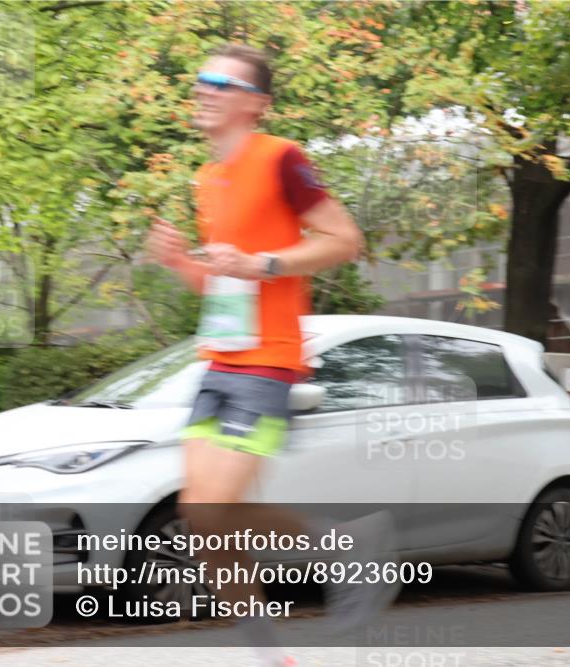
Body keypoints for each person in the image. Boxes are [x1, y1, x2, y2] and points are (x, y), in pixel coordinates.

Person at [146, 44, 398, 667]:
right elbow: (224, 285)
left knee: (214, 508)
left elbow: (344, 240)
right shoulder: (207, 179)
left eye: (220, 83)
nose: (204, 89)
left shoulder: (281, 158)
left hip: (268, 363)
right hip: (222, 360)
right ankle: (271, 659)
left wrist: (263, 263)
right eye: (200, 80)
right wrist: (182, 263)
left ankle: (351, 545)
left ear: (256, 104)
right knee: (201, 520)